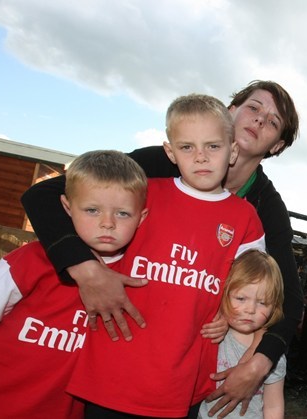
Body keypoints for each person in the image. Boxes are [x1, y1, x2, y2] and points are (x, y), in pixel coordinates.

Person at [21, 80, 303, 418]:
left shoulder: (263, 210)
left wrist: (260, 363)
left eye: (272, 122)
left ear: (277, 146)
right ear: (230, 112)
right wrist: (88, 271)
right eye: (254, 108)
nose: (259, 120)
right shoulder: (156, 170)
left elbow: (287, 296)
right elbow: (48, 195)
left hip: (185, 368)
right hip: (117, 347)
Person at [67, 93, 266, 418]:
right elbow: (90, 228)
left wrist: (228, 315)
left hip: (181, 385)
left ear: (232, 152)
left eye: (212, 146)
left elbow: (254, 287)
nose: (200, 157)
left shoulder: (246, 219)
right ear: (170, 152)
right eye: (187, 147)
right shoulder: (142, 194)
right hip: (112, 374)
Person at [0, 150, 149, 419]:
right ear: (67, 207)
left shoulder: (139, 277)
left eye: (122, 213)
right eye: (92, 210)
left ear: (141, 218)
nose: (107, 223)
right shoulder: (31, 259)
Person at [199, 250, 285, 419]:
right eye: (241, 298)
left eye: (262, 303)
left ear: (274, 306)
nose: (250, 309)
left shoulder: (274, 356)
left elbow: (273, 406)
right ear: (224, 293)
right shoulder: (211, 334)